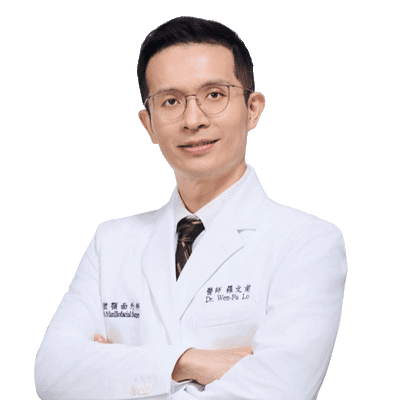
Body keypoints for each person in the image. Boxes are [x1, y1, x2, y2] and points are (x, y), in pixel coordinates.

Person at [35, 16, 347, 400]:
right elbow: (52, 373)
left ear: (252, 109)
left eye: (214, 95)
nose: (193, 120)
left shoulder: (307, 241)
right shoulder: (111, 242)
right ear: (149, 124)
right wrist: (187, 362)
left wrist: (116, 368)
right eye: (170, 101)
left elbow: (278, 390)